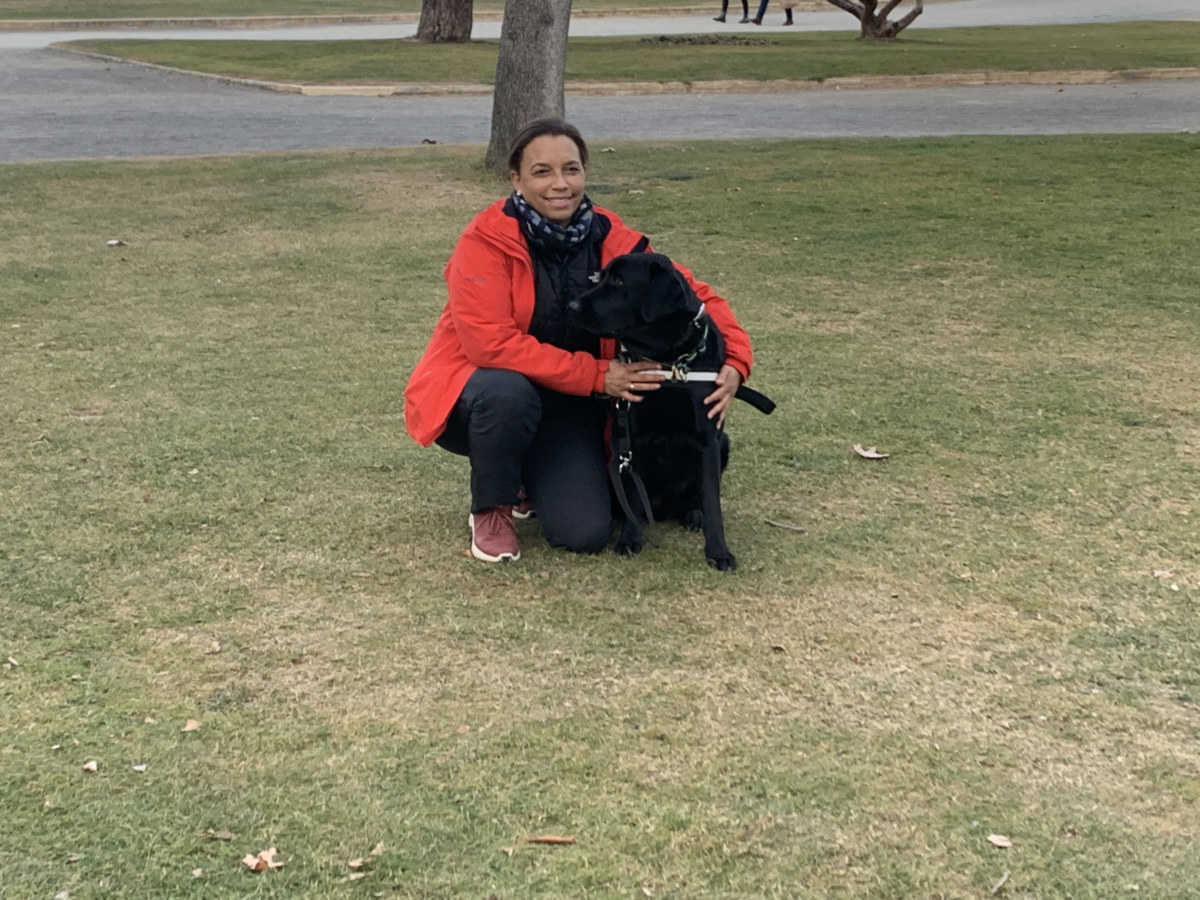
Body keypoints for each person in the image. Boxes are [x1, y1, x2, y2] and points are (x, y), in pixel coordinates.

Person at [403, 118, 754, 563]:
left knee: (584, 532)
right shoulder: (486, 241)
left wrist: (736, 361)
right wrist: (598, 375)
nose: (560, 184)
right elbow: (489, 345)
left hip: (570, 406)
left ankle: (532, 477)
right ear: (516, 179)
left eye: (571, 169)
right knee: (507, 392)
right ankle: (492, 508)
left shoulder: (611, 237)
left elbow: (694, 295)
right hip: (483, 397)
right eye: (542, 171)